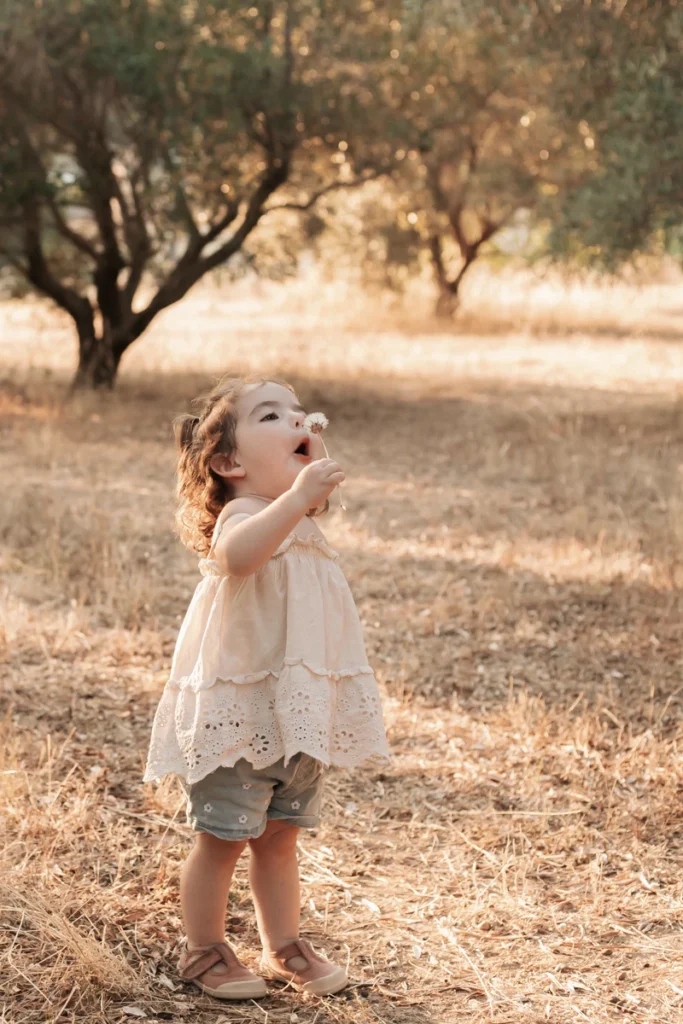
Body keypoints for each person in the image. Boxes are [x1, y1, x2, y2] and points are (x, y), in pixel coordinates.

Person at [143, 374, 391, 1000]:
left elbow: (317, 486)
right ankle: (204, 950)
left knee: (280, 838)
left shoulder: (299, 517)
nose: (301, 421)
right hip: (242, 709)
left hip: (296, 714)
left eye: (302, 412)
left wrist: (308, 467)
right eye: (273, 415)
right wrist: (295, 492)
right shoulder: (245, 514)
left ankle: (283, 944)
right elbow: (238, 559)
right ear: (228, 462)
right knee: (223, 837)